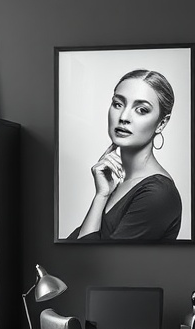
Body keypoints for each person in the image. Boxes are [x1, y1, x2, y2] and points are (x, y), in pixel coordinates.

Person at [69, 68, 182, 241]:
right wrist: (101, 195)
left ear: (161, 124)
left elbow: (94, 258)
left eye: (141, 110)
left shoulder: (158, 194)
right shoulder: (118, 184)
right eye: (118, 104)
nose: (123, 117)